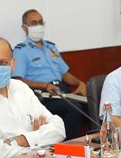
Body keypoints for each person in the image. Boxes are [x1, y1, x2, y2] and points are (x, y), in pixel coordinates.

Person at [12, 9, 88, 139]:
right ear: (24, 27)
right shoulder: (21, 51)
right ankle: (69, 148)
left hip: (62, 91)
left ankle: (89, 144)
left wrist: (80, 83)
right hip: (43, 95)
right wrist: (45, 85)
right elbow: (17, 80)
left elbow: (65, 74)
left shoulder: (51, 47)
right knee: (74, 109)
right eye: (33, 23)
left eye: (41, 22)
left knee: (90, 105)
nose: (38, 26)